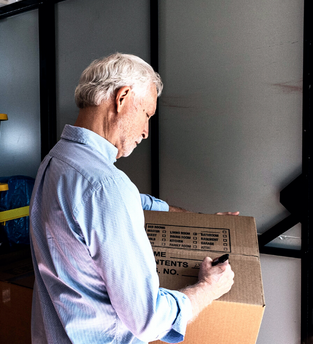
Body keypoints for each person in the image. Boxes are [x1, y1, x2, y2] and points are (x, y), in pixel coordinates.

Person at [29, 53, 235, 343]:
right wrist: (208, 288)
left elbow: (132, 202)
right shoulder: (106, 186)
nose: (146, 132)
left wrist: (197, 220)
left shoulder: (57, 161)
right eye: (147, 114)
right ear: (122, 97)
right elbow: (147, 320)